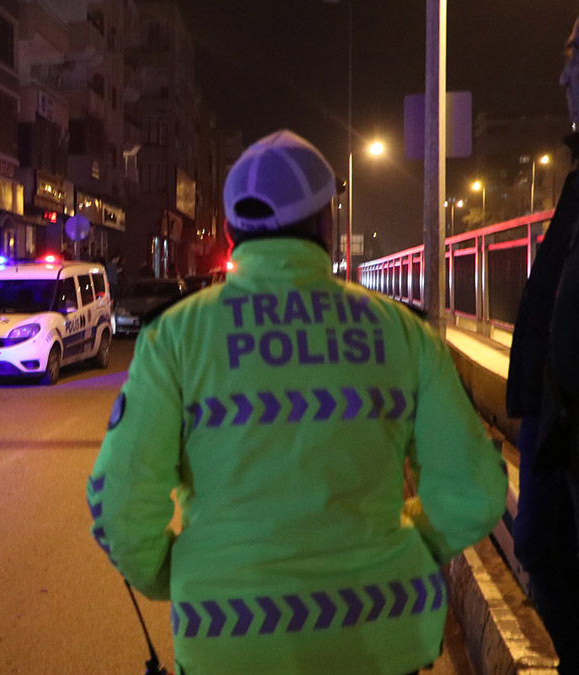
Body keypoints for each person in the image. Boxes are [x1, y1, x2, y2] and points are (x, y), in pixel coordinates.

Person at [87, 130, 507, 675]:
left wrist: (177, 571)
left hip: (230, 644)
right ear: (327, 224)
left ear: (234, 231)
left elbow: (118, 506)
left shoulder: (176, 337)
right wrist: (406, 544)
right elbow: (474, 491)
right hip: (380, 636)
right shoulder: (401, 334)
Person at [506, 17, 579, 673]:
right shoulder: (576, 182)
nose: (563, 76)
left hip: (566, 436)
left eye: (575, 58)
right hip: (554, 432)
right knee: (546, 563)